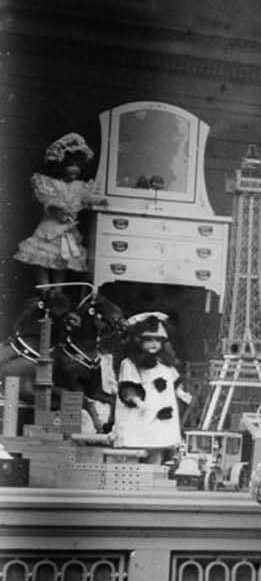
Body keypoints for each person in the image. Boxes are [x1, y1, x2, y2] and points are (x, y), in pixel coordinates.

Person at [16, 132, 106, 288]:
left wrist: (95, 202)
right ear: (60, 165)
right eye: (71, 165)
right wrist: (59, 212)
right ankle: (44, 290)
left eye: (78, 165)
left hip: (68, 232)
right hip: (50, 229)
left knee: (62, 261)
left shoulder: (80, 186)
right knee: (42, 260)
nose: (75, 169)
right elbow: (49, 202)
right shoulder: (50, 183)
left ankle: (58, 292)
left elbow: (90, 199)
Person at [111, 312, 190, 456]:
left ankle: (156, 469)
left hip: (161, 413)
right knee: (137, 444)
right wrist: (137, 400)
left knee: (157, 446)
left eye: (157, 340)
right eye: (148, 340)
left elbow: (173, 383)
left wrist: (181, 393)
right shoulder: (130, 364)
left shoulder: (165, 365)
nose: (154, 344)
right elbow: (128, 386)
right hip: (141, 411)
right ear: (138, 341)